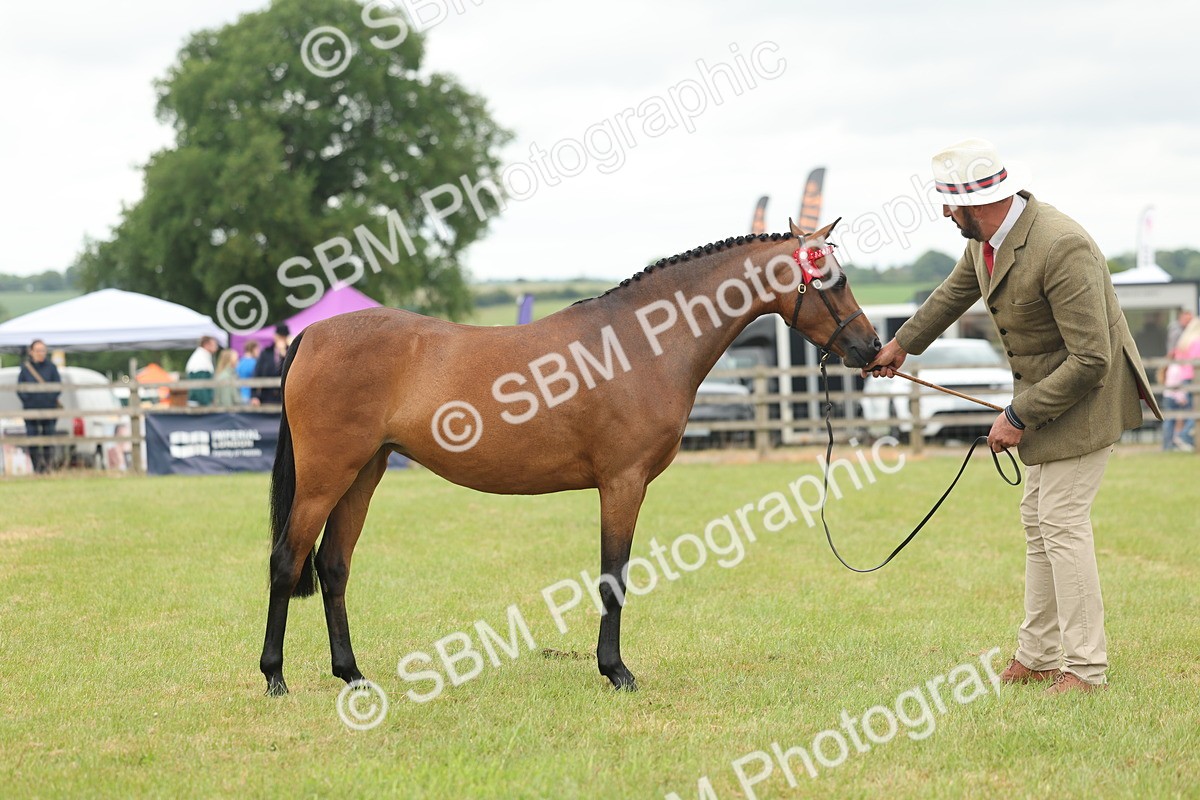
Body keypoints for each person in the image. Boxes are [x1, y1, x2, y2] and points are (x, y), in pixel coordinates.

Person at [867, 138, 1162, 695]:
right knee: (1038, 522)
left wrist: (1017, 416)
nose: (944, 212)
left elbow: (1092, 359)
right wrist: (900, 346)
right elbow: (951, 295)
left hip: (1088, 399)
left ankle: (1086, 670)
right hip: (1050, 399)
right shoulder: (986, 242)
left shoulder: (1062, 245)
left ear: (977, 203)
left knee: (1061, 524)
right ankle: (1038, 656)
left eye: (949, 203)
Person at [17, 339, 62, 474]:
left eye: (42, 350)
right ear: (31, 352)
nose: (40, 353)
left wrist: (49, 400)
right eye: (37, 350)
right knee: (33, 438)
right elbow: (20, 388)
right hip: (31, 409)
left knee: (48, 437)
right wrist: (29, 401)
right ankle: (37, 467)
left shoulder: (51, 368)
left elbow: (58, 387)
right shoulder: (25, 369)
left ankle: (48, 466)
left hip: (48, 408)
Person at [1162, 318, 1200, 452]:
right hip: (1194, 378)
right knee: (1195, 411)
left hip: (1184, 379)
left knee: (1190, 410)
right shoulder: (1196, 342)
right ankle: (1185, 436)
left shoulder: (1183, 342)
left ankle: (1181, 439)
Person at [252, 324, 291, 406]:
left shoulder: (290, 353)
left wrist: (285, 356)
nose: (281, 340)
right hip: (267, 397)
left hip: (285, 398)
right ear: (275, 337)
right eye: (280, 337)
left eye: (283, 337)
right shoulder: (266, 353)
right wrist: (254, 396)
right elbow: (257, 373)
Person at [185, 336, 219, 406]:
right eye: (214, 344)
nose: (216, 347)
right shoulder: (200, 359)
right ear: (206, 344)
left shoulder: (202, 356)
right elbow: (200, 386)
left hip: (198, 402)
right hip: (199, 403)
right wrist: (206, 404)